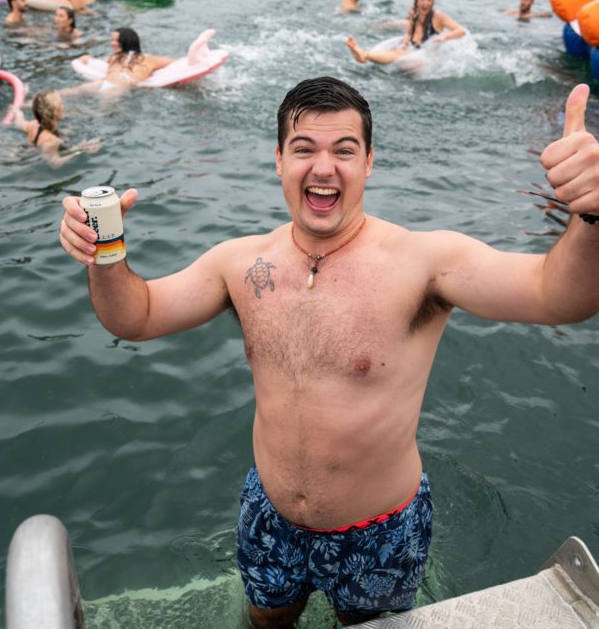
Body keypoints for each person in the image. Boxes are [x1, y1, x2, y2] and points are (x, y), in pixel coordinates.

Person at [59, 76, 599, 626]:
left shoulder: (423, 262)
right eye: (303, 149)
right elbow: (137, 316)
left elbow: (558, 296)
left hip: (379, 530)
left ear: (369, 162)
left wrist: (592, 214)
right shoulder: (240, 264)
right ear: (277, 161)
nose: (323, 167)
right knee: (267, 619)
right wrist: (104, 252)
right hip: (271, 516)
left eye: (344, 150)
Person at [347, 0, 465, 65]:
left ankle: (365, 55)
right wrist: (404, 42)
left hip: (427, 59)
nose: (426, 3)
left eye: (429, 0)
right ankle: (362, 56)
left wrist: (444, 37)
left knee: (399, 54)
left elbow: (461, 31)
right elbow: (409, 33)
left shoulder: (438, 16)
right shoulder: (414, 16)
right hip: (414, 50)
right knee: (394, 50)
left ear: (432, 2)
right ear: (417, 2)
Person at [60, 27, 175, 95]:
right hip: (118, 84)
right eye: (112, 40)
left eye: (116, 40)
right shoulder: (148, 59)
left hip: (113, 83)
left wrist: (88, 59)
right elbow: (175, 62)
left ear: (126, 41)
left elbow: (98, 62)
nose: (112, 43)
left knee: (70, 92)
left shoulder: (114, 58)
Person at [12, 90, 100, 168]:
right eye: (61, 104)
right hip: (26, 161)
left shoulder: (34, 124)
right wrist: (80, 151)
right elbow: (55, 163)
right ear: (55, 111)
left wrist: (17, 112)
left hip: (23, 150)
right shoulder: (51, 141)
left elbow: (19, 123)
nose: (63, 106)